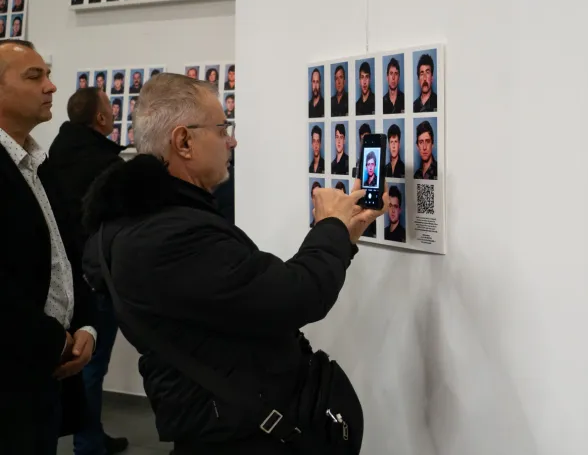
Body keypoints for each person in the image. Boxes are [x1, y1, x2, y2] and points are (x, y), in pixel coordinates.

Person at [81, 73, 382, 453]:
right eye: (222, 128)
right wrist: (331, 227)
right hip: (237, 433)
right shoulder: (169, 237)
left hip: (218, 420)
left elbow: (242, 296)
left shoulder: (142, 223)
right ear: (183, 141)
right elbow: (295, 296)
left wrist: (343, 238)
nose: (232, 140)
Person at [0, 40, 97, 454]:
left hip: (43, 377)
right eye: (34, 76)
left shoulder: (40, 165)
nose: (52, 87)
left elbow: (68, 255)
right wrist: (53, 341)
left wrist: (87, 328)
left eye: (48, 74)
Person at [43, 88, 130, 455]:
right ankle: (89, 443)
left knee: (75, 361)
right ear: (100, 119)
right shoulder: (107, 165)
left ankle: (88, 435)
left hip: (61, 278)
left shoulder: (51, 157)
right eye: (110, 108)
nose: (113, 113)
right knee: (90, 362)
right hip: (95, 278)